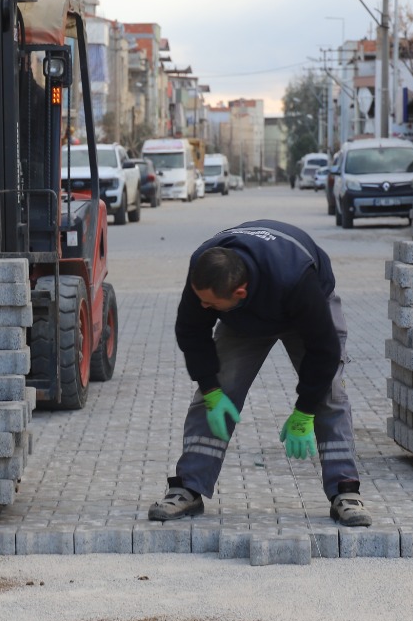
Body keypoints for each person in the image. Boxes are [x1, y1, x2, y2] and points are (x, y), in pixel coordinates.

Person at [148, 220, 375, 527]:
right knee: (216, 390)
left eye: (210, 304)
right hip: (244, 321)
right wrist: (212, 389)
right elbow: (191, 331)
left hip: (305, 312)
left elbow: (324, 351)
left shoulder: (295, 278)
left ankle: (345, 491)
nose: (203, 306)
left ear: (239, 291)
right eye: (201, 299)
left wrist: (304, 411)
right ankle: (188, 487)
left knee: (329, 393)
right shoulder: (205, 269)